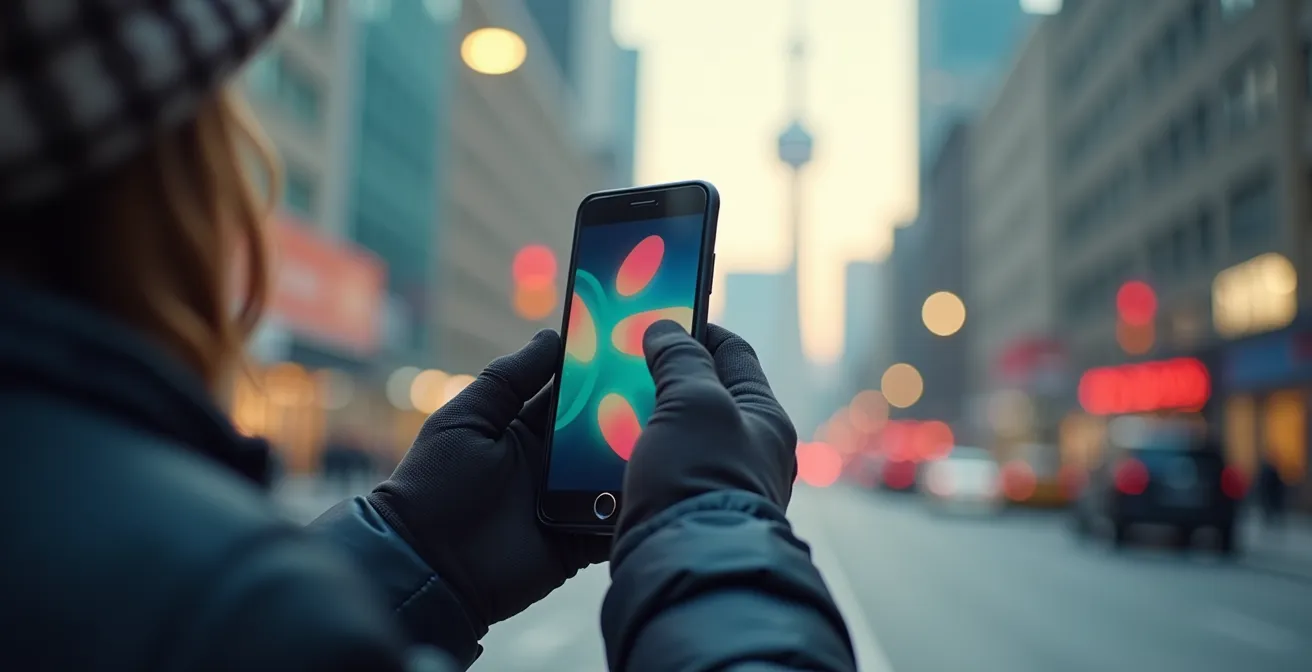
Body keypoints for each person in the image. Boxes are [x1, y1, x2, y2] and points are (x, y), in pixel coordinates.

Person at [0, 1, 856, 671]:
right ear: (153, 175)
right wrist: (714, 526)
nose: (249, 158)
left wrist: (417, 552)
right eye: (221, 109)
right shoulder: (210, 609)